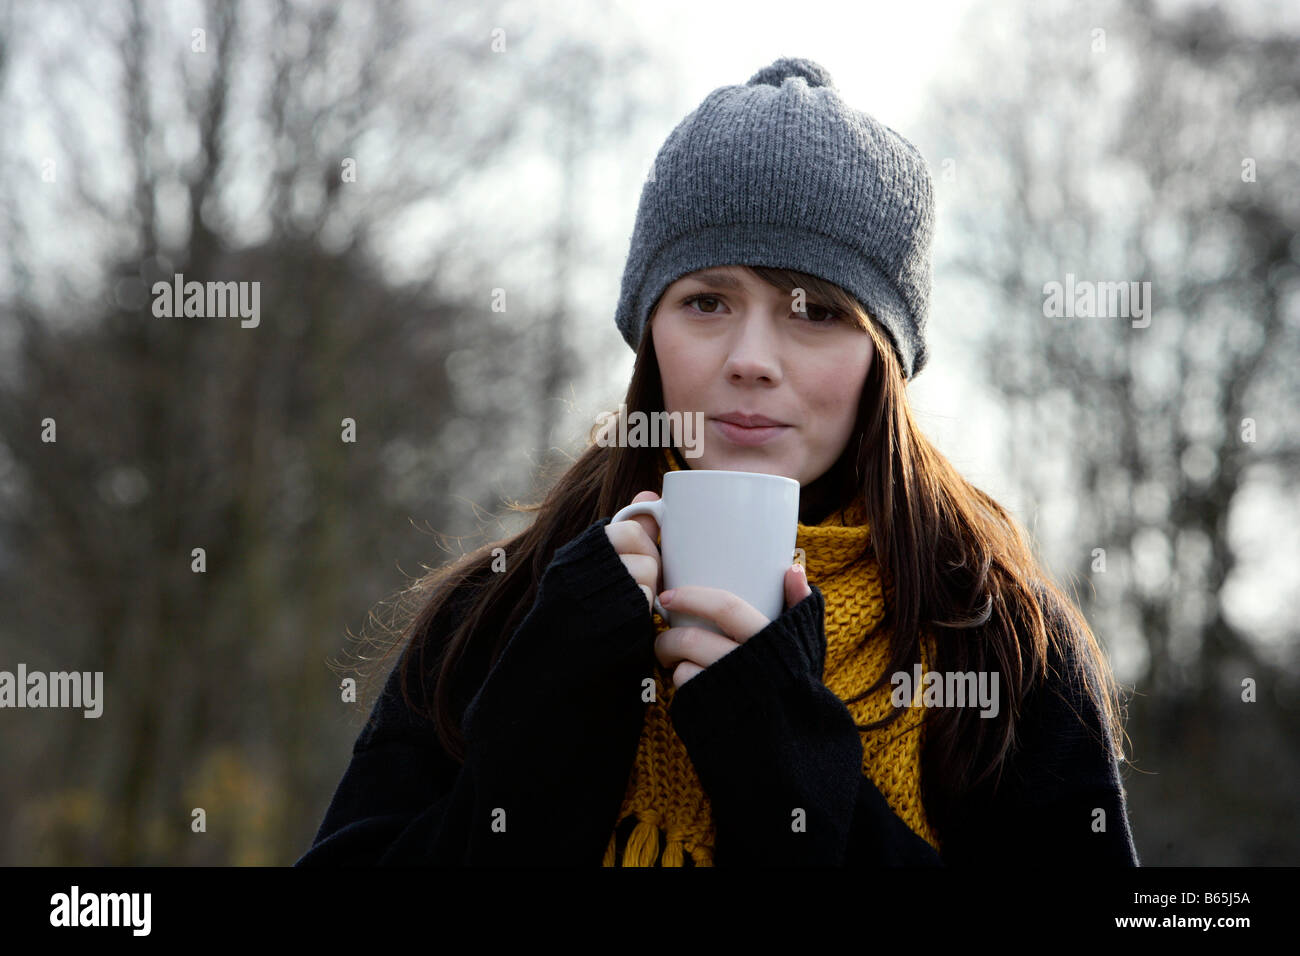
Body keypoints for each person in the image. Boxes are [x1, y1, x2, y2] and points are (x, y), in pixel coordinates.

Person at [296, 56, 1139, 867]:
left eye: (813, 312)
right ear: (649, 333)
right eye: (706, 302)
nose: (751, 357)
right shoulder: (509, 606)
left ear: (883, 356)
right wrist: (538, 719)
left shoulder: (996, 642)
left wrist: (792, 770)